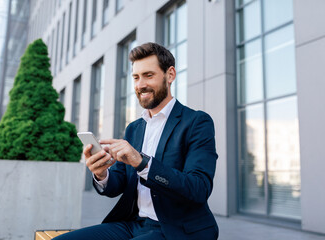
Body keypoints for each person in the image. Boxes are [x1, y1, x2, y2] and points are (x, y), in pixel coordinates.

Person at [54, 42, 218, 240]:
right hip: (134, 224)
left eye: (149, 75)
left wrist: (141, 162)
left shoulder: (196, 122)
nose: (140, 85)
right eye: (136, 77)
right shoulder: (134, 128)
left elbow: (198, 188)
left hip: (176, 229)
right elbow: (118, 184)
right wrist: (101, 174)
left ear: (170, 75)